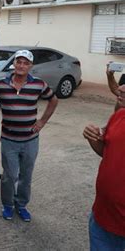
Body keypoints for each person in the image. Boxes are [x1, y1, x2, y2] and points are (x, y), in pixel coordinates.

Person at [0, 49, 58, 222]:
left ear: (30, 66)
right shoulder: (0, 85)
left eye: (25, 63)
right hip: (9, 140)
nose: (21, 65)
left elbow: (53, 100)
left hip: (30, 140)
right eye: (18, 62)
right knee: (10, 176)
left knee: (26, 176)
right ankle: (8, 205)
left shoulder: (38, 84)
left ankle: (21, 205)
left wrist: (42, 121)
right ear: (14, 64)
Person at [83, 84, 124, 250]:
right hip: (102, 218)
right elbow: (106, 152)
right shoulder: (119, 116)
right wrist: (92, 137)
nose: (120, 88)